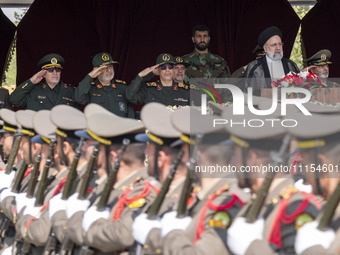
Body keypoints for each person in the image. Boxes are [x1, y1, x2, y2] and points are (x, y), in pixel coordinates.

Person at [75, 52, 135, 118]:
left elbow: (130, 114)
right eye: (104, 68)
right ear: (96, 70)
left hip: (121, 127)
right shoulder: (90, 88)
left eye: (111, 66)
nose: (109, 70)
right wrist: (90, 76)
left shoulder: (122, 87)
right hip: (99, 128)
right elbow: (79, 98)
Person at [9, 53, 77, 110]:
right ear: (43, 74)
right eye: (51, 70)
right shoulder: (33, 91)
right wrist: (31, 81)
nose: (55, 72)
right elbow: (14, 100)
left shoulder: (70, 91)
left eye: (58, 70)